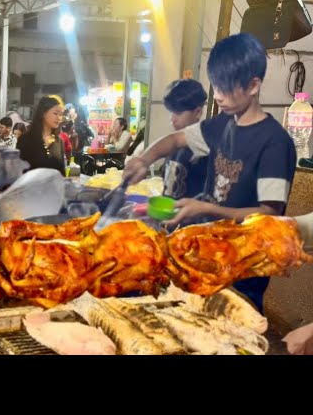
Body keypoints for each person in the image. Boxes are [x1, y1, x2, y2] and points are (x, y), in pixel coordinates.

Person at [123, 32, 297, 313]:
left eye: (226, 88)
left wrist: (205, 208)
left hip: (243, 271)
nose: (217, 96)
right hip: (210, 258)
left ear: (253, 85)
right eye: (215, 86)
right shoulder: (222, 125)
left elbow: (269, 214)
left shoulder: (275, 143)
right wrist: (144, 159)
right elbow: (176, 139)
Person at [161, 79, 209, 200]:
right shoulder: (173, 143)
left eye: (178, 113)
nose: (172, 119)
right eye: (171, 112)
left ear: (198, 112)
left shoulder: (205, 147)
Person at [17, 95, 66, 175]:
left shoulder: (59, 141)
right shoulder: (25, 140)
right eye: (55, 113)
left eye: (61, 114)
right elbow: (20, 171)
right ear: (43, 113)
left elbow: (62, 172)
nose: (59, 118)